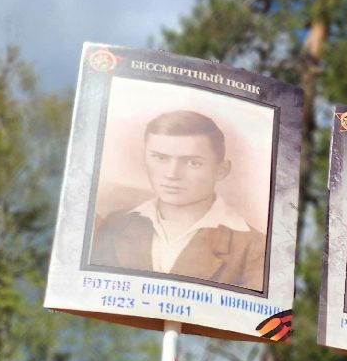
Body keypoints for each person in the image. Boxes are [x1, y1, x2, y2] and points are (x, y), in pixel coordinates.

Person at [90, 110, 267, 291]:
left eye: (192, 163)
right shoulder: (115, 225)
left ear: (221, 170)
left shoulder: (255, 249)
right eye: (160, 158)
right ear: (144, 159)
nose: (172, 174)